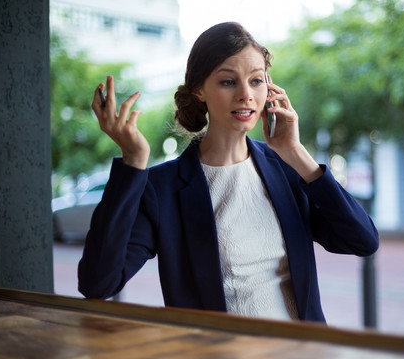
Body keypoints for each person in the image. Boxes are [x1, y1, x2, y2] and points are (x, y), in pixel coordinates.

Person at [78, 22, 379, 323]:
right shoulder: (162, 189)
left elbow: (362, 240)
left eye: (256, 81)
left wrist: (297, 153)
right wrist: (133, 159)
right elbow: (97, 283)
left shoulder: (287, 170)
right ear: (199, 90)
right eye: (228, 82)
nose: (246, 95)